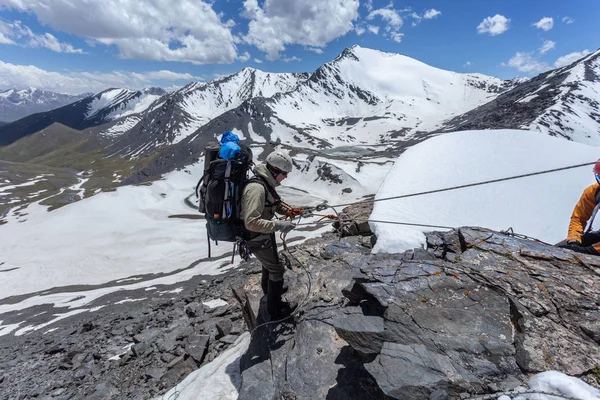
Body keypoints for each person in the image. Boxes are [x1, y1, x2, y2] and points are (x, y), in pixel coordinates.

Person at [241, 150, 298, 319]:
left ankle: (269, 289)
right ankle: (275, 309)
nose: (285, 177)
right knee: (277, 269)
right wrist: (279, 225)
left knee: (270, 263)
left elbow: (272, 203)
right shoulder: (257, 188)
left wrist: (290, 211)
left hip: (263, 234)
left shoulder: (265, 182)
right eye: (284, 174)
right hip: (256, 236)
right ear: (275, 170)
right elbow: (251, 222)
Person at [557, 159, 600, 256]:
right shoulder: (594, 192)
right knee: (559, 249)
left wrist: (591, 250)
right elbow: (579, 218)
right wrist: (574, 240)